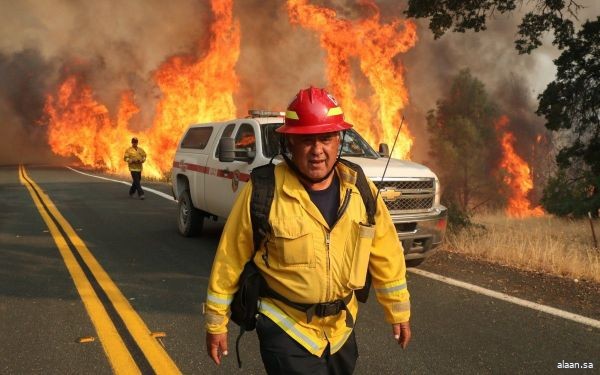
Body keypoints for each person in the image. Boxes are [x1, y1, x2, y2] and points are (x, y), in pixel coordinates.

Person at [204, 87, 411, 374]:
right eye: (306, 140)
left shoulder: (359, 188)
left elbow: (386, 252)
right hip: (286, 327)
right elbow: (230, 257)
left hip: (341, 329)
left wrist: (398, 310)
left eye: (326, 138)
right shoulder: (265, 189)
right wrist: (216, 321)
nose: (317, 150)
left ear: (339, 140)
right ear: (290, 142)